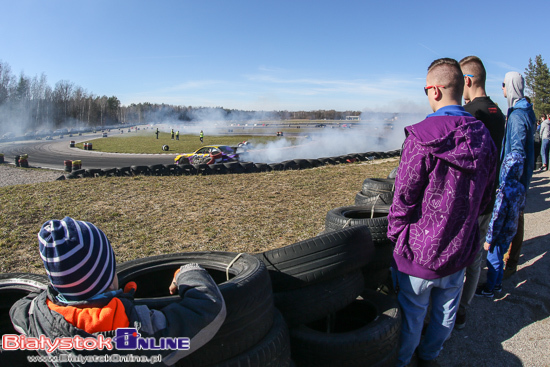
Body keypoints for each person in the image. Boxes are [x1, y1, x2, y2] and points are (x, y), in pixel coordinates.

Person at [387, 58, 497, 367]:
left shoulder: (422, 136)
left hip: (417, 252)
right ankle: (431, 356)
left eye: (425, 89)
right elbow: (487, 197)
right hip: (459, 249)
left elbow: (403, 197)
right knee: (445, 314)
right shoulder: (485, 138)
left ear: (435, 90)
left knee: (411, 316)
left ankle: (405, 360)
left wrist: (396, 238)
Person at [10, 217, 226, 365]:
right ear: (110, 277)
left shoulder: (35, 317)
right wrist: (187, 272)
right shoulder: (135, 330)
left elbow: (17, 309)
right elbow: (208, 308)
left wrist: (50, 296)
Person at [455, 56, 506, 329]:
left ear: (468, 80)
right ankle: (464, 309)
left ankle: (451, 311)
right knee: (476, 258)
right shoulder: (497, 111)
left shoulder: (472, 113)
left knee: (461, 256)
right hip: (490, 194)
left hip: (472, 198)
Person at [500, 72, 536, 279]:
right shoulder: (525, 111)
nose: (503, 88)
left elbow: (517, 153)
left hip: (515, 180)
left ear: (511, 86)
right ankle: (510, 260)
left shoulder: (517, 116)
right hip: (522, 178)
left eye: (504, 84)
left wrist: (507, 182)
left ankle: (509, 264)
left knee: (513, 219)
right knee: (516, 218)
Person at [476, 152, 526, 297]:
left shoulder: (503, 191)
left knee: (493, 261)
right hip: (511, 230)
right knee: (500, 257)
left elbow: (497, 217)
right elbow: (522, 207)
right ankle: (498, 284)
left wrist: (489, 239)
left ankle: (489, 289)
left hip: (499, 233)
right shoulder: (520, 188)